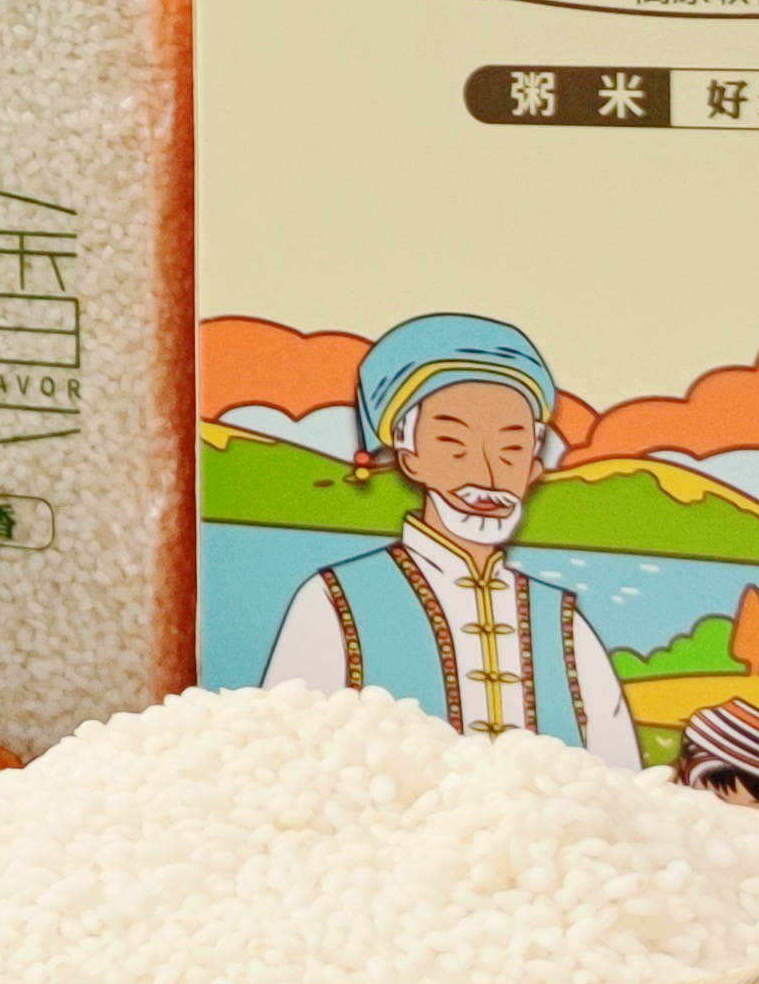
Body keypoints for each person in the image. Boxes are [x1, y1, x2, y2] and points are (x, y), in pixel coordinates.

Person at [258, 310, 635, 758]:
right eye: (455, 444)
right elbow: (279, 763)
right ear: (409, 458)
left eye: (511, 449)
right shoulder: (335, 600)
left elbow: (623, 778)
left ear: (534, 468)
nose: (488, 473)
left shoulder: (563, 623)